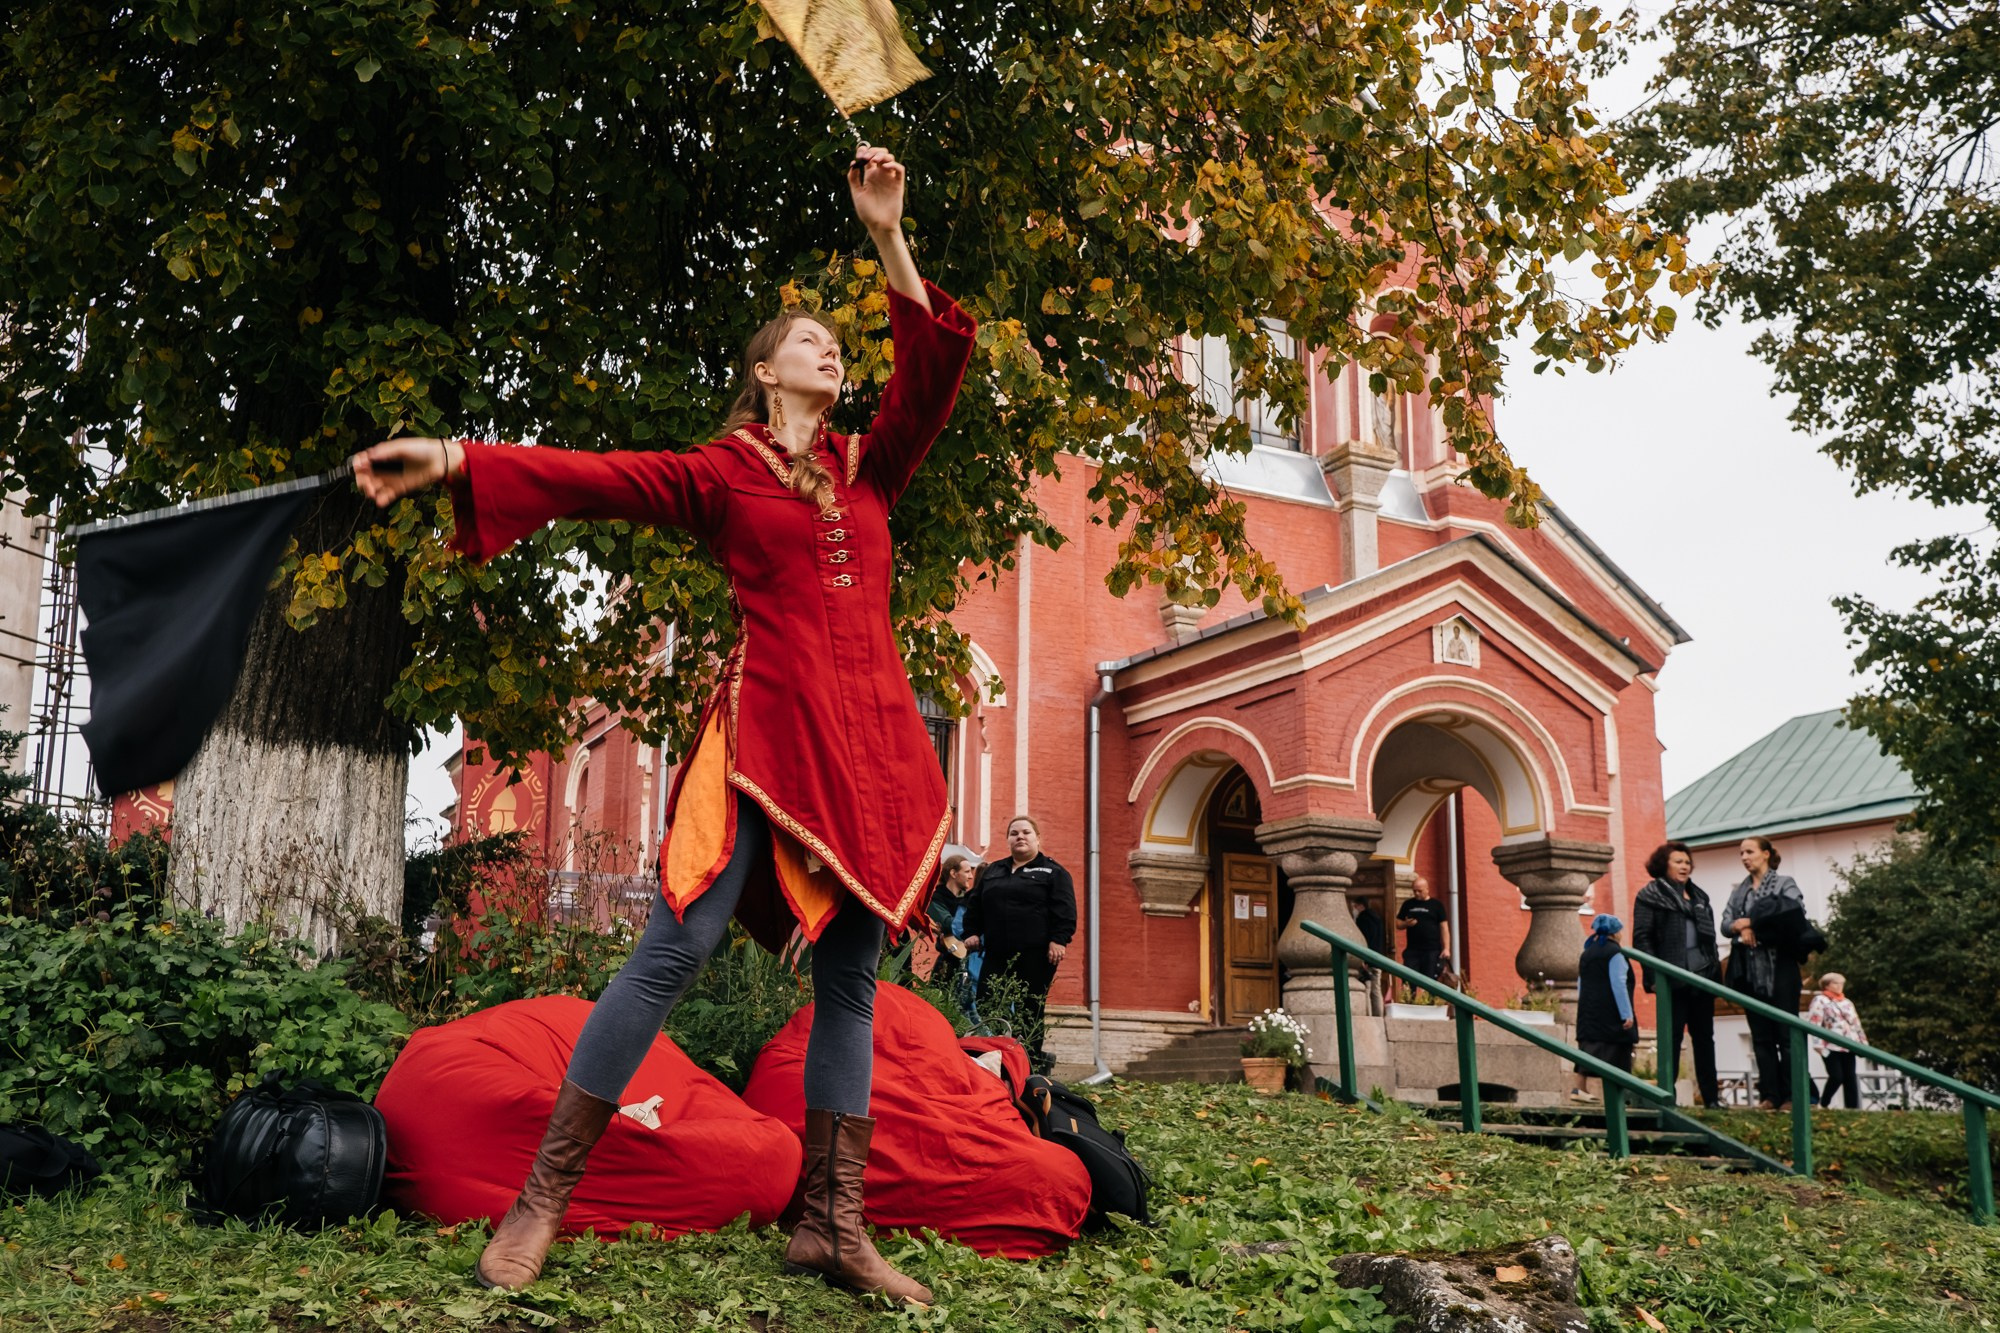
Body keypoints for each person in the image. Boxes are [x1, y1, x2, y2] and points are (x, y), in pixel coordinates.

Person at [353, 147, 970, 1307]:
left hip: (872, 753)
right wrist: (454, 459)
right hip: (765, 740)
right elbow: (595, 475)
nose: (828, 350)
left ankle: (835, 1225)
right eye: (805, 340)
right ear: (760, 372)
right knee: (672, 952)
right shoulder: (719, 475)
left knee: (851, 985)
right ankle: (543, 1198)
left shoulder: (872, 469)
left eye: (835, 343)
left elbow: (931, 371)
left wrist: (889, 234)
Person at [962, 815, 1076, 1073]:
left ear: (1038, 838)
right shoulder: (994, 871)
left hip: (1036, 954)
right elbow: (975, 904)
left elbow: (1065, 909)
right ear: (1008, 840)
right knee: (988, 1001)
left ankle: (1029, 1064)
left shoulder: (1053, 872)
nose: (1020, 837)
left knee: (1030, 1006)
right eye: (1014, 833)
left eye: (1026, 832)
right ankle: (997, 1057)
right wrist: (972, 932)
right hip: (997, 952)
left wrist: (1059, 940)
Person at [1630, 841, 1723, 1107]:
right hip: (1671, 977)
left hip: (1702, 977)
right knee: (1672, 1037)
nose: (1684, 866)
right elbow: (1642, 939)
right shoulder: (1650, 895)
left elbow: (1710, 938)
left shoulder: (1699, 897)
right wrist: (1654, 975)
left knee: (1705, 1038)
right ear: (1664, 864)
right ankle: (1665, 1097)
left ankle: (1711, 1099)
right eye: (1678, 862)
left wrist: (1714, 970)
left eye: (1687, 862)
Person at [1723, 836, 1808, 1111]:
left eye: (1750, 851)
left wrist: (1753, 923)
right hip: (1750, 969)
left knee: (1787, 1035)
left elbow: (1792, 914)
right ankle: (1770, 1095)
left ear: (1766, 854)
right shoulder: (1740, 891)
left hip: (1781, 966)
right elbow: (1725, 923)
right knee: (1761, 1036)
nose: (1745, 857)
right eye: (1741, 853)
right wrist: (1741, 928)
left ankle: (1795, 1096)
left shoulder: (1785, 884)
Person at [1570, 914, 1638, 1103]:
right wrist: (1626, 1014)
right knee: (1619, 1051)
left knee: (1588, 1048)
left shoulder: (1587, 953)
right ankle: (1620, 1096)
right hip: (1611, 1012)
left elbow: (1580, 984)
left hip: (1589, 1011)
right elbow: (1618, 983)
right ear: (1615, 933)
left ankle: (1579, 1088)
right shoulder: (1615, 953)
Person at [927, 854, 980, 1010]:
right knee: (943, 1006)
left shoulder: (967, 899)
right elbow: (949, 924)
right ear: (953, 873)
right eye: (967, 872)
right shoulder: (936, 899)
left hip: (970, 960)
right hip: (949, 960)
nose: (971, 877)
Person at [1808, 973, 1867, 1109]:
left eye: (1841, 984)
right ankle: (1824, 1103)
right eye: (1835, 983)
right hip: (1831, 1045)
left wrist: (1863, 1044)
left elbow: (1856, 1024)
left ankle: (1853, 1109)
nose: (1839, 986)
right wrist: (1818, 1046)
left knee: (1850, 1078)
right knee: (1836, 1076)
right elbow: (1814, 1023)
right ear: (1827, 985)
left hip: (1850, 1044)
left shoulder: (1847, 1003)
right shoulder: (1820, 1000)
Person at [1395, 876, 1450, 998]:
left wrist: (1446, 948)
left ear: (1427, 889)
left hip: (1432, 949)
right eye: (1414, 890)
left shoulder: (1436, 905)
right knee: (1408, 978)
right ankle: (1409, 1001)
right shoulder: (1408, 904)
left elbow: (1444, 927)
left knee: (1430, 980)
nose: (1416, 893)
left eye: (1419, 890)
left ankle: (1431, 1004)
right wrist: (1406, 924)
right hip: (1412, 949)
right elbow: (1398, 924)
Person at [1349, 895, 1388, 1012]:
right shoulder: (1376, 918)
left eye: (1355, 907)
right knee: (1376, 989)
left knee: (1367, 988)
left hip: (1368, 960)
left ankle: (1370, 1014)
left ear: (1361, 906)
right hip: (1378, 958)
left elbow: (1364, 941)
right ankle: (1379, 1015)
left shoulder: (1363, 919)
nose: (1354, 910)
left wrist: (1363, 960)